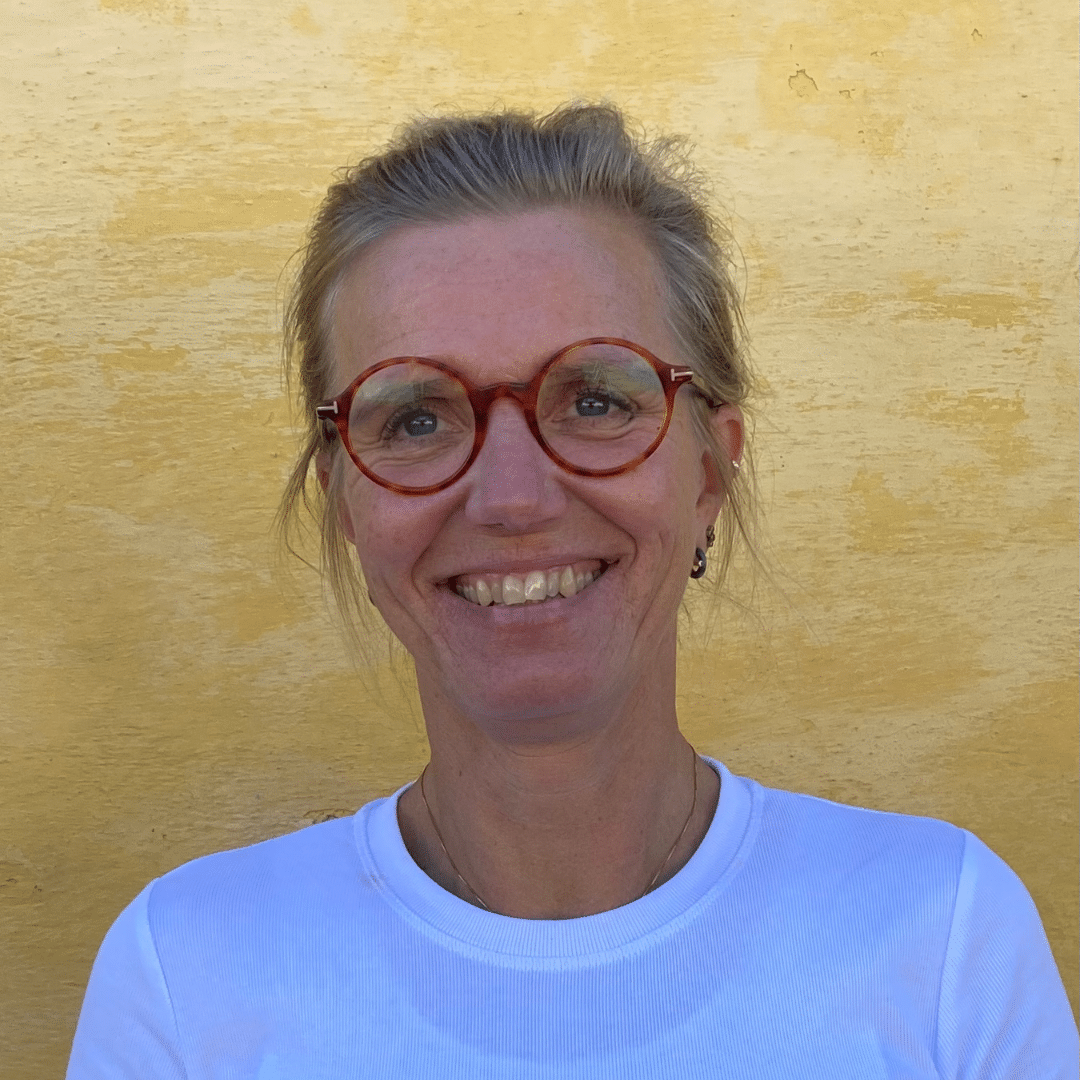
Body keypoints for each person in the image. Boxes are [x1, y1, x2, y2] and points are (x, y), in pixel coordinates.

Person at [67, 103, 1077, 1078]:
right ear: (344, 501)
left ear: (708, 474)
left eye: (595, 400)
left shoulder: (944, 936)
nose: (512, 497)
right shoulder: (186, 974)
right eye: (415, 419)